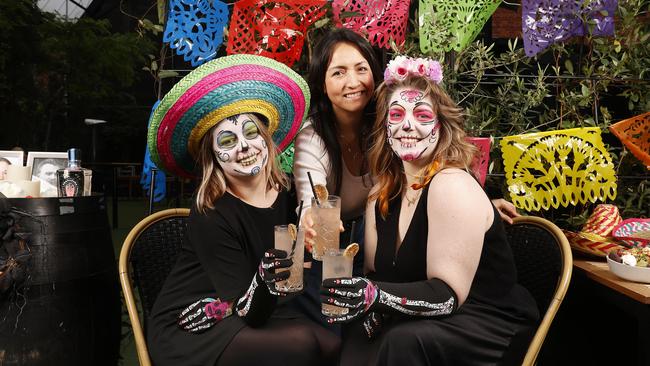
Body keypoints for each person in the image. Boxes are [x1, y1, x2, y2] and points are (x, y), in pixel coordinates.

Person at [293, 28, 520, 330]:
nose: (352, 82)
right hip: (344, 242)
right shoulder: (316, 135)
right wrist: (310, 216)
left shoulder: (390, 111)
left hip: (388, 239)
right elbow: (311, 197)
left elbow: (434, 170)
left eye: (361, 69)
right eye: (338, 72)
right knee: (335, 325)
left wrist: (474, 205)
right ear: (322, 82)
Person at [321, 56, 539, 365]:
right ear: (385, 127)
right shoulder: (381, 195)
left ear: (442, 125)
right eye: (396, 115)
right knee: (358, 335)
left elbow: (447, 297)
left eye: (421, 114)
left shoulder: (451, 184)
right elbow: (376, 273)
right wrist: (367, 304)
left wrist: (376, 298)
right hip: (419, 318)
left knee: (402, 341)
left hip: (483, 323)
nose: (407, 125)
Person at [146, 54, 339, 366]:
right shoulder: (211, 210)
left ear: (265, 138)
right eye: (227, 139)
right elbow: (247, 306)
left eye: (251, 133)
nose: (244, 146)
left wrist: (315, 239)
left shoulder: (289, 192)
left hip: (258, 310)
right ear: (213, 156)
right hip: (196, 325)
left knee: (334, 345)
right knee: (303, 346)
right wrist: (268, 279)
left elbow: (292, 278)